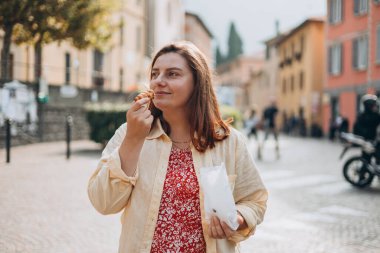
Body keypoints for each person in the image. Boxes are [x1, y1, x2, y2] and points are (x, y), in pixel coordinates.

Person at [87, 41, 268, 253]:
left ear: (197, 83)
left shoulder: (229, 142)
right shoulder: (130, 133)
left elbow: (255, 201)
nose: (158, 81)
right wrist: (133, 140)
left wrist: (236, 219)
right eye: (155, 74)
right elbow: (103, 202)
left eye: (172, 74)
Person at [353, 94, 380, 171]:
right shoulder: (365, 116)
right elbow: (357, 129)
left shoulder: (373, 115)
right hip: (367, 141)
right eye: (373, 105)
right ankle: (362, 176)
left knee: (367, 159)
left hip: (373, 140)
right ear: (368, 105)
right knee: (366, 159)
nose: (375, 107)